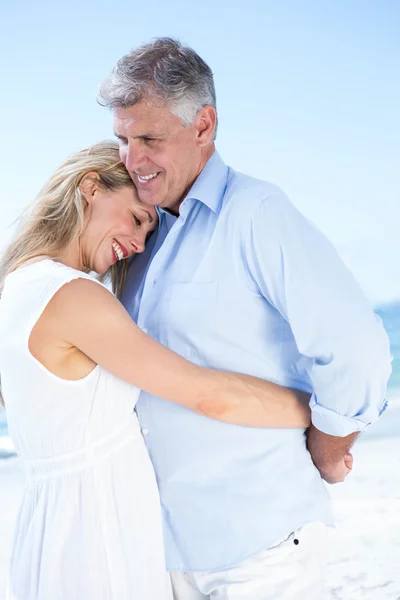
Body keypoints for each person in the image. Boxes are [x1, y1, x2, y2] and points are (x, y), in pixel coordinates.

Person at [98, 38, 392, 599]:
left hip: (261, 550)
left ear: (204, 125)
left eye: (149, 139)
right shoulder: (142, 238)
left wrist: (328, 449)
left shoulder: (257, 214)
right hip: (162, 555)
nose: (132, 160)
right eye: (123, 140)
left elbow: (356, 347)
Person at [0, 142, 313, 600]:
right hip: (98, 534)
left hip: (51, 530)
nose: (140, 244)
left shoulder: (16, 288)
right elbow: (209, 395)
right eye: (138, 218)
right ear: (91, 188)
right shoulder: (73, 297)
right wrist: (323, 410)